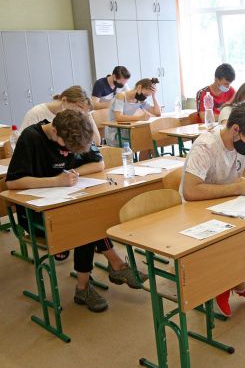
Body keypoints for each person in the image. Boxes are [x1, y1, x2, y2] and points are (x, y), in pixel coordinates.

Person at [6, 110, 147, 312]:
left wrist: (73, 174)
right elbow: (12, 182)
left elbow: (99, 163)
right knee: (86, 223)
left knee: (91, 215)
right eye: (67, 148)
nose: (69, 152)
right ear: (55, 131)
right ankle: (109, 269)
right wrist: (55, 181)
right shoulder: (31, 138)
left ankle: (89, 283)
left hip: (68, 205)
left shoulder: (77, 132)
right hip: (35, 214)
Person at [181, 102, 245, 316]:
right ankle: (233, 285)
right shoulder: (206, 146)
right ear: (236, 129)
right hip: (197, 210)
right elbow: (190, 191)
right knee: (228, 240)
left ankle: (232, 283)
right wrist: (236, 188)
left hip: (228, 203)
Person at [19, 85, 101, 145]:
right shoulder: (36, 113)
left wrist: (87, 114)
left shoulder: (80, 115)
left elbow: (96, 142)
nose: (78, 115)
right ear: (64, 100)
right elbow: (22, 142)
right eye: (78, 110)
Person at [105, 77, 162, 147]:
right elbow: (119, 117)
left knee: (150, 141)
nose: (145, 97)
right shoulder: (121, 96)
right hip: (116, 133)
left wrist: (154, 96)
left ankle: (146, 154)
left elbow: (157, 113)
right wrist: (140, 118)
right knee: (146, 141)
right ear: (139, 87)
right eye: (145, 94)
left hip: (128, 130)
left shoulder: (140, 100)